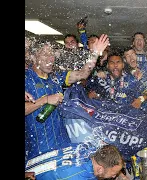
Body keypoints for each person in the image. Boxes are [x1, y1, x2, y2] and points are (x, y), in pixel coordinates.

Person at [25, 34, 109, 166]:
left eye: (52, 55)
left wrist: (96, 53)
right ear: (34, 57)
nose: (50, 59)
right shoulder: (27, 78)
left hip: (62, 144)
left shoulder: (56, 77)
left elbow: (83, 73)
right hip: (38, 148)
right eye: (45, 54)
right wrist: (45, 100)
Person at [26, 144, 125, 180]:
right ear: (99, 169)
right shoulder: (81, 177)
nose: (114, 176)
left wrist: (120, 175)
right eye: (114, 174)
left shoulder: (82, 148)